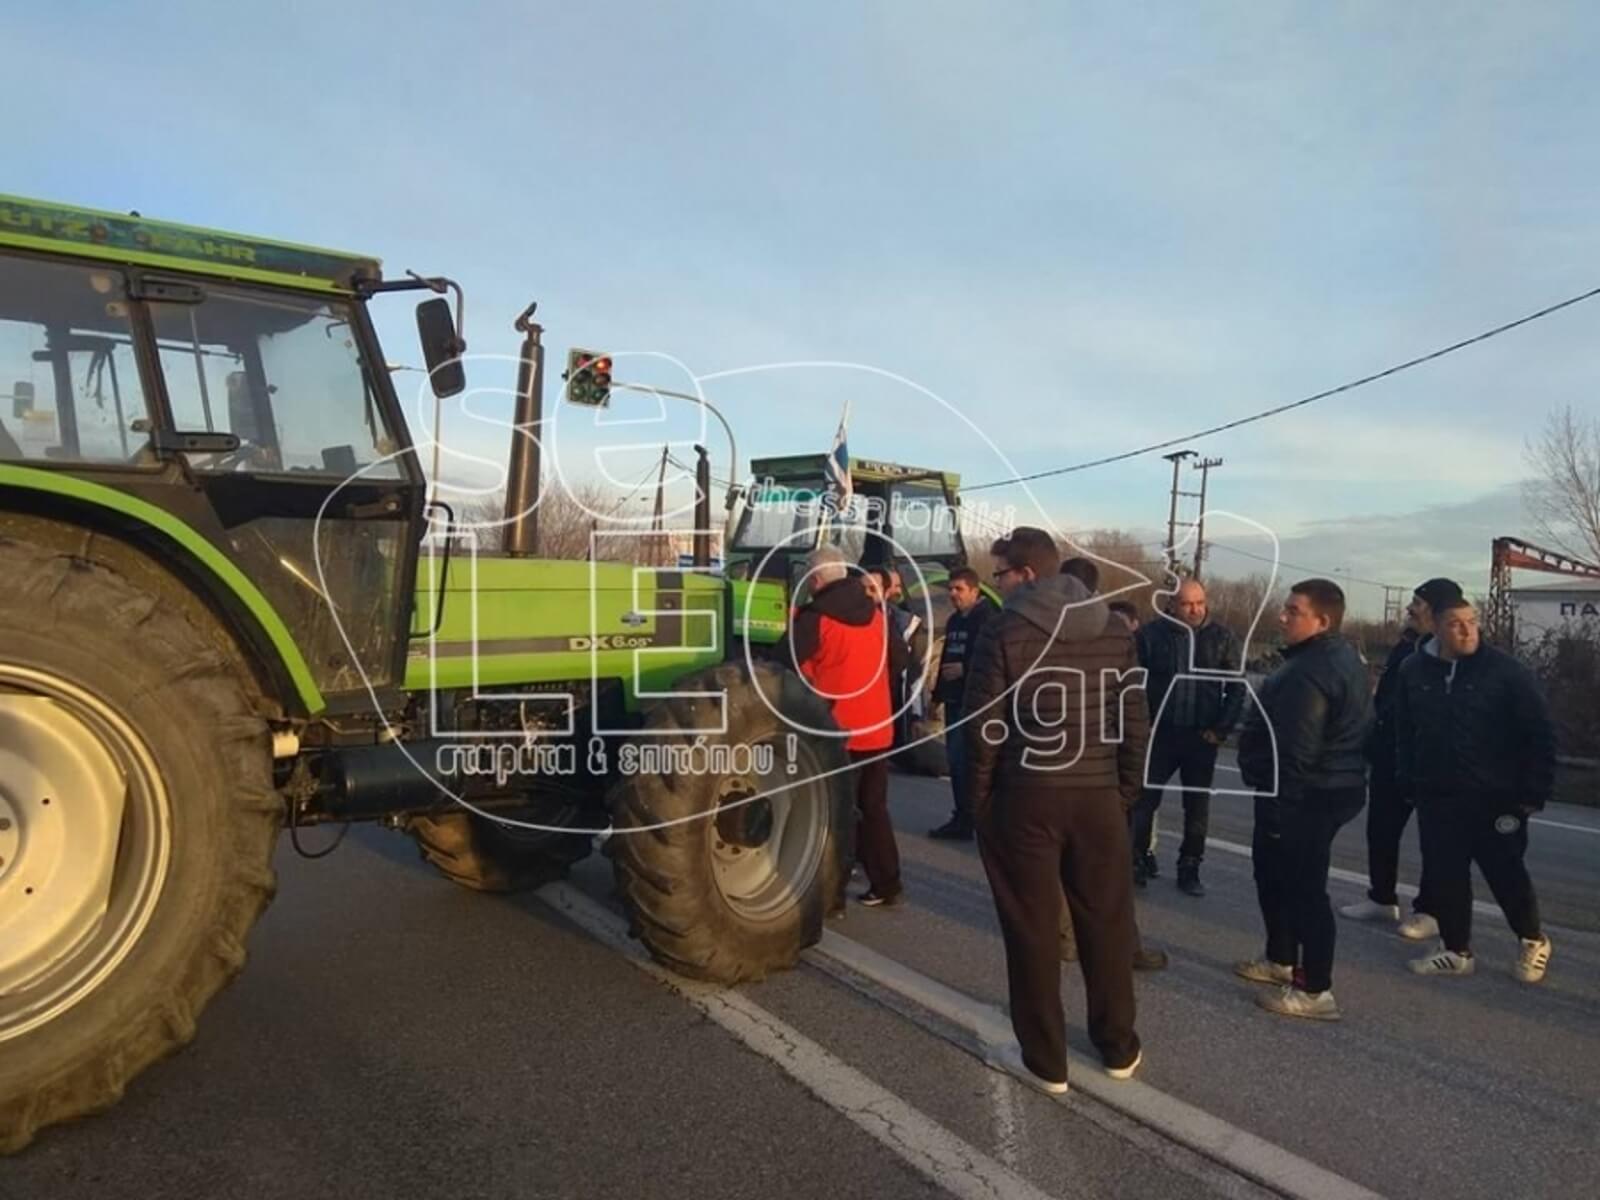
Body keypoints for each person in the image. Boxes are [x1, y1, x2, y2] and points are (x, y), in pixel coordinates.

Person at [964, 528, 1148, 1092]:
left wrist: (981, 803)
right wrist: (1121, 795)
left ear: (1024, 574)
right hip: (1097, 798)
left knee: (1033, 928)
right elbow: (1134, 723)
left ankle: (1046, 1060)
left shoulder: (1004, 629)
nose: (997, 585)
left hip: (1030, 796)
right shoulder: (1114, 630)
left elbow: (982, 730)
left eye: (999, 574)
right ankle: (1118, 1045)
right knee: (1106, 923)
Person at [1395, 597, 1555, 982]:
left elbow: (1539, 733)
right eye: (1455, 624)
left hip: (1496, 797)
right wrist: (1408, 779)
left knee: (1505, 873)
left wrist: (1532, 793)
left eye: (1471, 621)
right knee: (1447, 874)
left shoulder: (1505, 672)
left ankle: (1532, 939)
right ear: (1435, 626)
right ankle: (1456, 949)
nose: (1467, 630)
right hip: (1438, 794)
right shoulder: (1415, 670)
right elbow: (1404, 730)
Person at [1236, 579, 1373, 1021]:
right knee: (1273, 873)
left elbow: (1294, 750)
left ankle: (1315, 989)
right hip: (1324, 786)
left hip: (1307, 793)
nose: (1283, 616)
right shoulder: (1334, 658)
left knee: (1304, 889)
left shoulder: (1311, 671)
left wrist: (1280, 809)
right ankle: (1280, 958)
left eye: (1293, 611)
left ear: (1322, 620)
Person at [1055, 559, 1167, 972]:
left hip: (1058, 768)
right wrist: (1130, 784)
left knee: (1067, 864)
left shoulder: (1043, 630)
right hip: (1102, 771)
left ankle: (1068, 939)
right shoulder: (1114, 635)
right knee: (1109, 871)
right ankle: (1120, 947)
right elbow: (1133, 718)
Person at [1339, 577, 1462, 935]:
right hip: (1390, 756)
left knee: (1434, 838)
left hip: (1430, 761)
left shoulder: (1452, 655)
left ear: (1439, 611)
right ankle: (1381, 898)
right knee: (1381, 829)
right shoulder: (1407, 647)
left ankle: (1430, 910)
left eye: (1418, 604)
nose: (1410, 609)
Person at [793, 547, 905, 907]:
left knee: (834, 815)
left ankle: (832, 893)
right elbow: (900, 659)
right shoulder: (876, 616)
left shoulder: (815, 618)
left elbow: (783, 665)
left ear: (815, 580)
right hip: (877, 728)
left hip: (837, 730)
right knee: (873, 808)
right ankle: (887, 883)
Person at [1131, 579, 1245, 896]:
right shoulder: (1150, 636)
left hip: (1201, 737)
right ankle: (1136, 860)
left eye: (1199, 603)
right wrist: (1143, 722)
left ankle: (1190, 867)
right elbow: (1132, 682)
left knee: (1196, 807)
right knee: (1143, 801)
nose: (1195, 609)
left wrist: (1220, 729)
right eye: (1187, 603)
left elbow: (1237, 687)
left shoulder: (1221, 638)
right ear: (1171, 605)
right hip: (1161, 734)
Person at [928, 566, 997, 840]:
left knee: (967, 761)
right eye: (951, 588)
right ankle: (963, 815)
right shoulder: (956, 620)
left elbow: (992, 660)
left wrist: (965, 670)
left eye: (959, 589)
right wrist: (936, 697)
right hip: (954, 699)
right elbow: (947, 658)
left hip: (976, 702)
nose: (953, 594)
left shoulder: (987, 620)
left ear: (974, 591)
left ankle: (973, 817)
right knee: (956, 761)